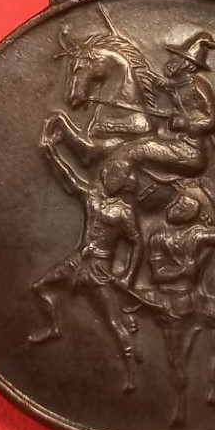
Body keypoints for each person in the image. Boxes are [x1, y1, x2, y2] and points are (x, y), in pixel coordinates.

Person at [29, 135, 142, 393]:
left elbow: (137, 244)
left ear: (124, 181)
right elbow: (69, 177)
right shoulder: (93, 196)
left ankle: (131, 374)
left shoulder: (124, 213)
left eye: (116, 175)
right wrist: (52, 152)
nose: (109, 177)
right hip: (78, 260)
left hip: (99, 269)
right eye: (108, 173)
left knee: (113, 323)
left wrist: (129, 274)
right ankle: (53, 326)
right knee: (39, 288)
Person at [147, 173, 215, 425]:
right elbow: (157, 275)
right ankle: (179, 404)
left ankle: (213, 390)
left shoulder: (198, 234)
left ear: (191, 215)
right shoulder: (157, 238)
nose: (176, 206)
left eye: (184, 206)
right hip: (170, 301)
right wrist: (183, 271)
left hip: (193, 298)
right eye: (178, 203)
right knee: (176, 358)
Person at [103, 30, 215, 179]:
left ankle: (106, 192)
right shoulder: (178, 84)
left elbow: (213, 121)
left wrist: (182, 122)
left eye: (178, 59)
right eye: (173, 57)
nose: (171, 61)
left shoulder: (198, 86)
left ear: (190, 67)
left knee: (130, 152)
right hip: (174, 142)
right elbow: (169, 86)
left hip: (188, 149)